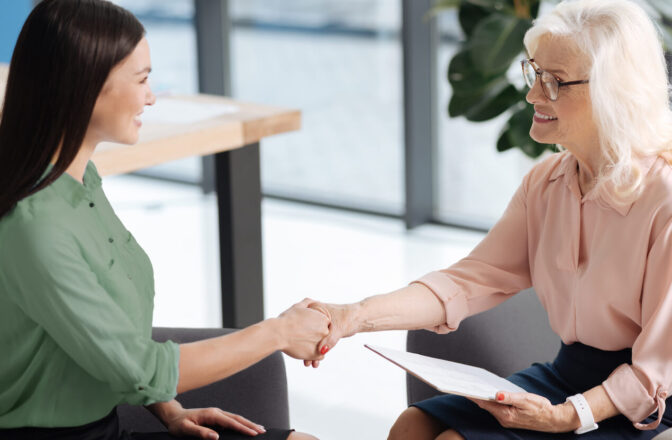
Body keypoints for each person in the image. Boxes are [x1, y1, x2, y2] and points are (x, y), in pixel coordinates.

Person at [307, 0, 672, 438]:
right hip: (568, 376)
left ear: (615, 91)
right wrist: (352, 316)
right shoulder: (546, 183)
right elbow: (467, 281)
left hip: (641, 400)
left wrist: (567, 416)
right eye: (535, 73)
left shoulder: (664, 201)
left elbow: (656, 370)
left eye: (554, 82)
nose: (533, 95)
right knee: (413, 425)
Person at [0, 1, 327, 439]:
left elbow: (100, 332)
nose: (151, 95)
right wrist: (279, 332)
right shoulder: (36, 227)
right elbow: (139, 367)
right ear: (85, 86)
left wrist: (170, 411)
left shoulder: (79, 181)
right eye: (141, 79)